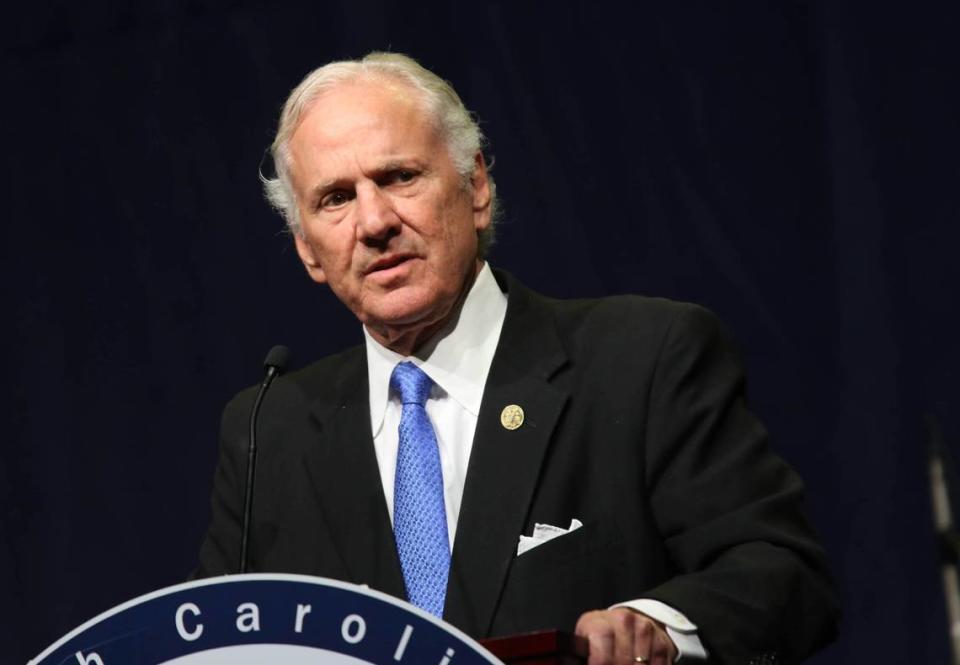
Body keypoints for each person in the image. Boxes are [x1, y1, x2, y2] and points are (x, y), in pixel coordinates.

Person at [195, 52, 839, 664]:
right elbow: (214, 643)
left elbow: (787, 581)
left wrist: (660, 631)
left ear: (475, 187)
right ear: (308, 249)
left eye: (399, 177)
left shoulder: (640, 360)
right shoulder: (267, 431)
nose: (374, 222)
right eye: (335, 198)